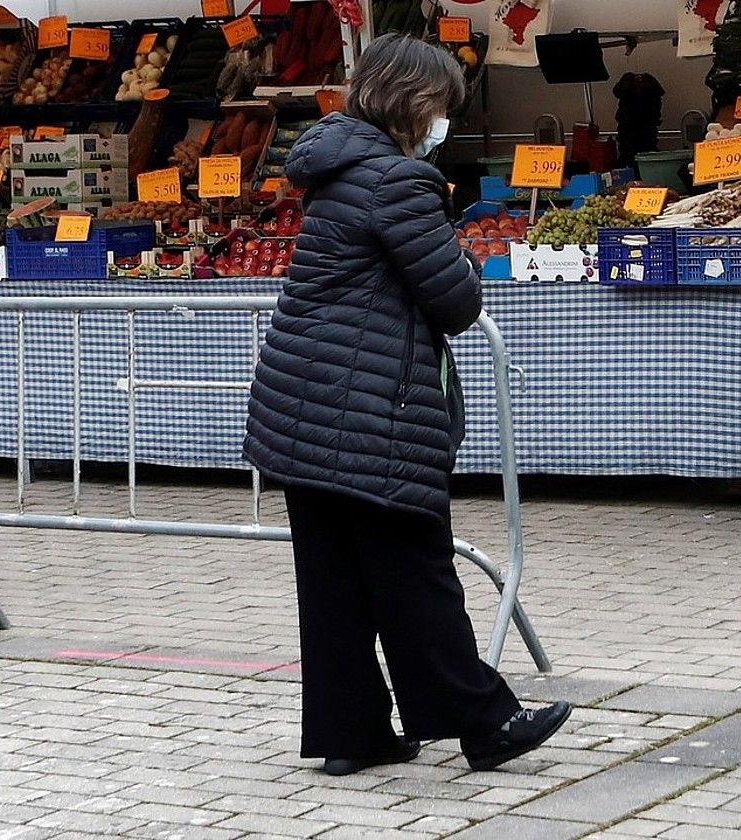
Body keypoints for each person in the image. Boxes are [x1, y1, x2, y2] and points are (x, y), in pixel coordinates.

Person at [244, 34, 569, 776]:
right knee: (416, 570)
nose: (441, 123)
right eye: (439, 107)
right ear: (410, 100)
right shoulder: (398, 182)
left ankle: (352, 734)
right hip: (367, 411)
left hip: (301, 401)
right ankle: (484, 722)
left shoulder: (334, 167)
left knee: (333, 583)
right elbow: (456, 301)